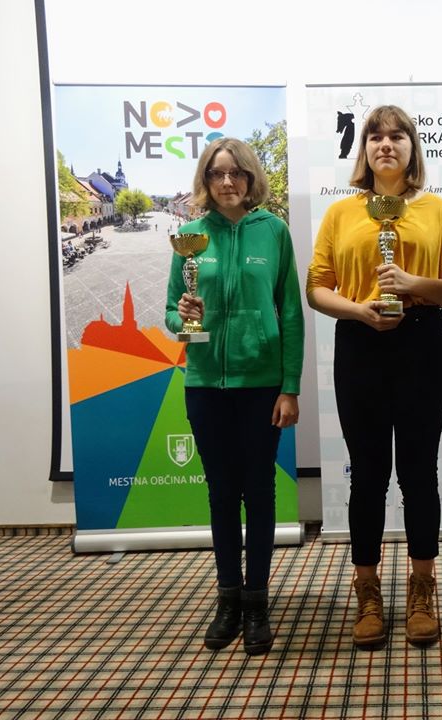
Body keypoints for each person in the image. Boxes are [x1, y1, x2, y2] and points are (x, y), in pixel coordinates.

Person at [306, 105, 442, 648]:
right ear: (365, 150)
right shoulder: (340, 213)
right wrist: (359, 310)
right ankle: (368, 590)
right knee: (368, 475)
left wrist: (413, 282)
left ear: (412, 147)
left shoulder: (438, 211)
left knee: (419, 473)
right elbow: (317, 287)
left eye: (398, 135)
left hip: (421, 341)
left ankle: (422, 588)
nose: (386, 144)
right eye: (376, 136)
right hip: (360, 343)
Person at [165, 137, 304, 656]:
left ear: (250, 178)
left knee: (260, 492)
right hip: (205, 384)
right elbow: (171, 314)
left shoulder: (274, 232)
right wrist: (184, 316)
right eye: (217, 173)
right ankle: (228, 598)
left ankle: (257, 600)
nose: (227, 182)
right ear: (206, 179)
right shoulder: (190, 237)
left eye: (237, 173)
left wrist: (290, 386)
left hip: (261, 385)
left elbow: (291, 312)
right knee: (222, 495)